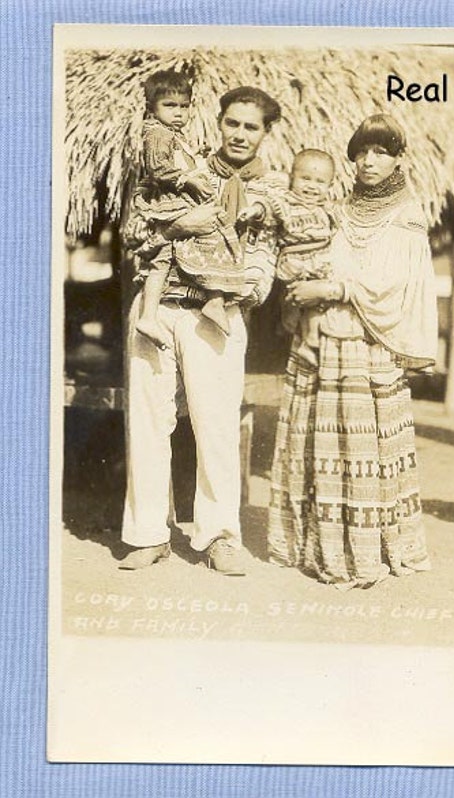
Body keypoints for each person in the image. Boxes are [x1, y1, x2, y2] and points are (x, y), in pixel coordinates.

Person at [267, 113, 438, 589]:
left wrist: (330, 289)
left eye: (381, 152)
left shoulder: (405, 215)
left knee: (363, 449)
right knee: (319, 444)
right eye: (362, 152)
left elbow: (391, 284)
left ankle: (369, 552)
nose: (369, 161)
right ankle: (319, 549)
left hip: (367, 344)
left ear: (397, 157)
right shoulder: (338, 209)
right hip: (321, 339)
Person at [119, 86, 282, 574]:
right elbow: (133, 232)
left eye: (251, 126)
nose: (239, 133)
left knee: (215, 425)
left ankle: (218, 536)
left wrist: (236, 292)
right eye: (232, 122)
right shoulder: (176, 166)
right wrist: (177, 228)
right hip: (158, 305)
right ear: (219, 122)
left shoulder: (271, 192)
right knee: (148, 420)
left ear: (265, 133)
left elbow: (266, 258)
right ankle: (149, 533)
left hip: (217, 314)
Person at [133, 70, 244, 347]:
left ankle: (207, 301)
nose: (179, 112)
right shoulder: (157, 133)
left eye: (184, 106)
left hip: (175, 200)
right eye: (170, 106)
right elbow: (159, 169)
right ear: (151, 108)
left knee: (165, 256)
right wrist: (188, 179)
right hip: (170, 202)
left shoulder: (173, 134)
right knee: (210, 230)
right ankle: (213, 299)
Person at [237, 148, 337, 365]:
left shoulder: (326, 208)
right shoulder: (287, 202)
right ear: (292, 179)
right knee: (299, 300)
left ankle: (305, 338)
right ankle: (301, 336)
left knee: (315, 303)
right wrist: (254, 210)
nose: (311, 186)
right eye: (305, 179)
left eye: (320, 182)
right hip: (296, 259)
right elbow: (269, 207)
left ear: (329, 186)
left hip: (320, 257)